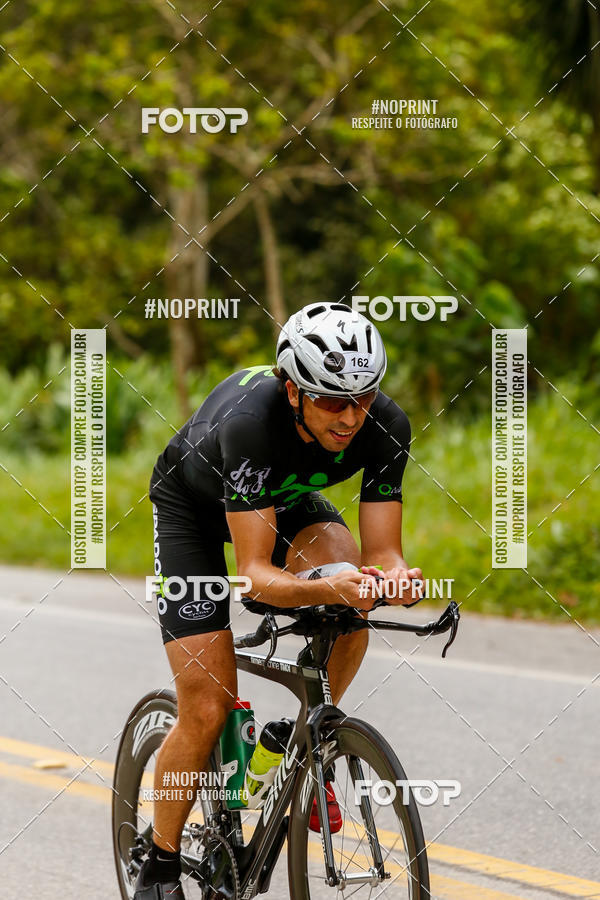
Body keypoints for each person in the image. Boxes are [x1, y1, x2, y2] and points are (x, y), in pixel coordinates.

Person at [135, 301, 423, 899]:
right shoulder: (250, 423)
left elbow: (382, 552)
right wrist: (322, 585)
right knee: (207, 707)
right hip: (194, 510)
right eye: (333, 402)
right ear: (293, 391)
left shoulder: (386, 424)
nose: (351, 417)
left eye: (364, 398)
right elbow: (255, 575)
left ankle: (299, 742)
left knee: (353, 597)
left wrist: (392, 578)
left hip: (285, 503)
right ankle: (159, 864)